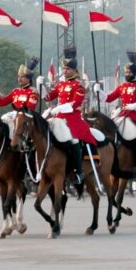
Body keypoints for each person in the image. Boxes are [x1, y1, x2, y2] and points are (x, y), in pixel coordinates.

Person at [44, 47, 100, 185]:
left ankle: (78, 171)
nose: (65, 71)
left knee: (74, 141)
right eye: (64, 69)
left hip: (72, 119)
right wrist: (41, 86)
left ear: (74, 70)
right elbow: (48, 97)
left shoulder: (79, 86)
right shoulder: (61, 84)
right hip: (58, 117)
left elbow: (76, 104)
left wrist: (59, 107)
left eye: (67, 69)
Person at [105, 51, 136, 143]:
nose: (127, 74)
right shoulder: (122, 86)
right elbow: (109, 99)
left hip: (135, 117)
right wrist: (99, 91)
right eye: (126, 72)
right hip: (122, 115)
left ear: (134, 73)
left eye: (129, 72)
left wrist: (133, 106)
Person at [0, 58, 41, 125]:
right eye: (18, 76)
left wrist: (16, 113)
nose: (19, 79)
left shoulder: (33, 91)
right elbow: (1, 103)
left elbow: (30, 108)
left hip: (26, 120)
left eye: (22, 77)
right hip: (15, 118)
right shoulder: (15, 91)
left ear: (28, 79)